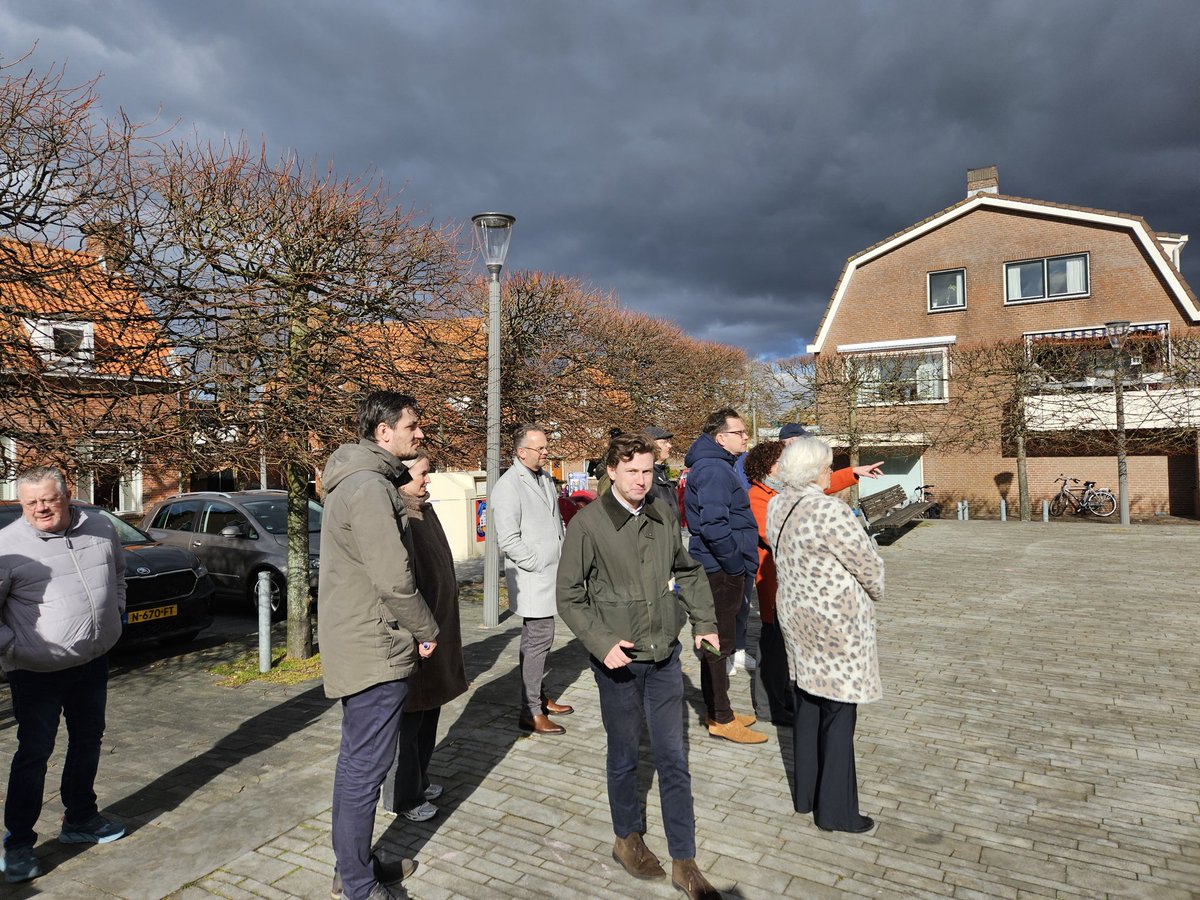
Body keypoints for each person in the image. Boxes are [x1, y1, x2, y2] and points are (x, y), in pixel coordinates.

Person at [557, 432, 722, 900]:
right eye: (631, 471)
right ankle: (626, 837)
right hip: (620, 663)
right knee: (625, 754)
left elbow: (687, 570)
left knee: (673, 758)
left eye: (648, 471)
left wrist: (704, 622)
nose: (641, 480)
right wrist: (601, 641)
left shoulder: (662, 513)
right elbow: (569, 595)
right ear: (611, 471)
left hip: (664, 656)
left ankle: (685, 861)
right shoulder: (588, 524)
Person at [319, 391, 439, 900]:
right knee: (364, 770)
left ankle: (353, 866)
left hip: (365, 637)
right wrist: (427, 629)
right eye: (411, 426)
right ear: (383, 431)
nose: (419, 433)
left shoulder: (363, 479)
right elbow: (393, 578)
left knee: (358, 765)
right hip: (373, 643)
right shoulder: (369, 486)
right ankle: (358, 884)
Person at [0, 467, 127, 884]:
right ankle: (19, 843)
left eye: (48, 500)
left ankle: (81, 819)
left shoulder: (102, 527)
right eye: (30, 503)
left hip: (92, 663)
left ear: (67, 496)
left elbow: (118, 573)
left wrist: (117, 612)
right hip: (36, 672)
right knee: (34, 753)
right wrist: (14, 647)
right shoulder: (6, 546)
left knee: (88, 741)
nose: (40, 509)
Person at [767, 436, 885, 834]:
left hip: (797, 616)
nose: (829, 472)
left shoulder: (778, 504)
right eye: (827, 466)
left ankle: (806, 795)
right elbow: (867, 565)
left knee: (808, 700)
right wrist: (877, 590)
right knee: (838, 709)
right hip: (836, 622)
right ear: (815, 471)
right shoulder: (829, 510)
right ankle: (837, 811)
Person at [747, 443, 886, 726]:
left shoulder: (784, 494)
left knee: (791, 654)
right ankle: (769, 706)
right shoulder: (760, 497)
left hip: (799, 589)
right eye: (779, 461)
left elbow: (818, 484)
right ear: (767, 467)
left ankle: (785, 699)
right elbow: (773, 535)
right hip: (778, 583)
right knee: (772, 648)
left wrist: (853, 472)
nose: (784, 465)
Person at [379, 451, 468, 826]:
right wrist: (417, 630)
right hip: (416, 637)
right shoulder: (398, 516)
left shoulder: (424, 510)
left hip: (436, 631)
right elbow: (399, 583)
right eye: (423, 473)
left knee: (430, 712)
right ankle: (402, 796)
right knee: (410, 721)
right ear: (402, 477)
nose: (428, 479)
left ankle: (420, 779)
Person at [682, 408, 767, 744]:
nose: (746, 437)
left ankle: (718, 710)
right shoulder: (715, 470)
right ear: (720, 438)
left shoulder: (718, 466)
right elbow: (714, 525)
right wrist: (735, 565)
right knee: (719, 643)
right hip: (719, 570)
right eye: (739, 432)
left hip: (721, 567)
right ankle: (720, 717)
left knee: (718, 642)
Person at [491, 423, 573, 735]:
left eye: (546, 446)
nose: (546, 452)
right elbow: (508, 539)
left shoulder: (544, 478)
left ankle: (537, 696)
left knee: (536, 640)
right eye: (540, 448)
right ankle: (531, 710)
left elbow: (555, 520)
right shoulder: (508, 486)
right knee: (540, 637)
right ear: (522, 452)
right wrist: (537, 563)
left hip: (550, 572)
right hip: (533, 576)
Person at [643, 426, 680, 523]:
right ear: (650, 445)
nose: (669, 446)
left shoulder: (660, 473)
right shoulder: (645, 477)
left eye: (669, 442)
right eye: (664, 442)